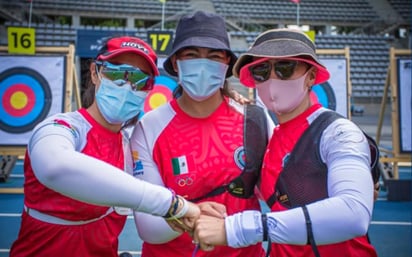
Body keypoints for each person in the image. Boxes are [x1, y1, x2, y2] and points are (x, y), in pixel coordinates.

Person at [193, 28, 378, 257]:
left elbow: (354, 215)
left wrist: (236, 229)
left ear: (311, 76)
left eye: (285, 68)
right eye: (261, 71)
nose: (272, 79)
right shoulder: (270, 138)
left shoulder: (337, 132)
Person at [10, 36, 200, 257]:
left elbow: (152, 226)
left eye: (141, 81)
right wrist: (173, 205)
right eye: (118, 74)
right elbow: (54, 166)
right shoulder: (61, 128)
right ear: (94, 72)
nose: (128, 86)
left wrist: (227, 101)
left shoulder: (131, 144)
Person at [130, 11, 272, 257]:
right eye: (192, 55)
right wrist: (194, 214)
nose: (203, 64)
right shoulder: (149, 127)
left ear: (227, 64)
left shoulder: (255, 120)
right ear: (176, 63)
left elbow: (279, 198)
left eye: (214, 56)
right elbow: (148, 228)